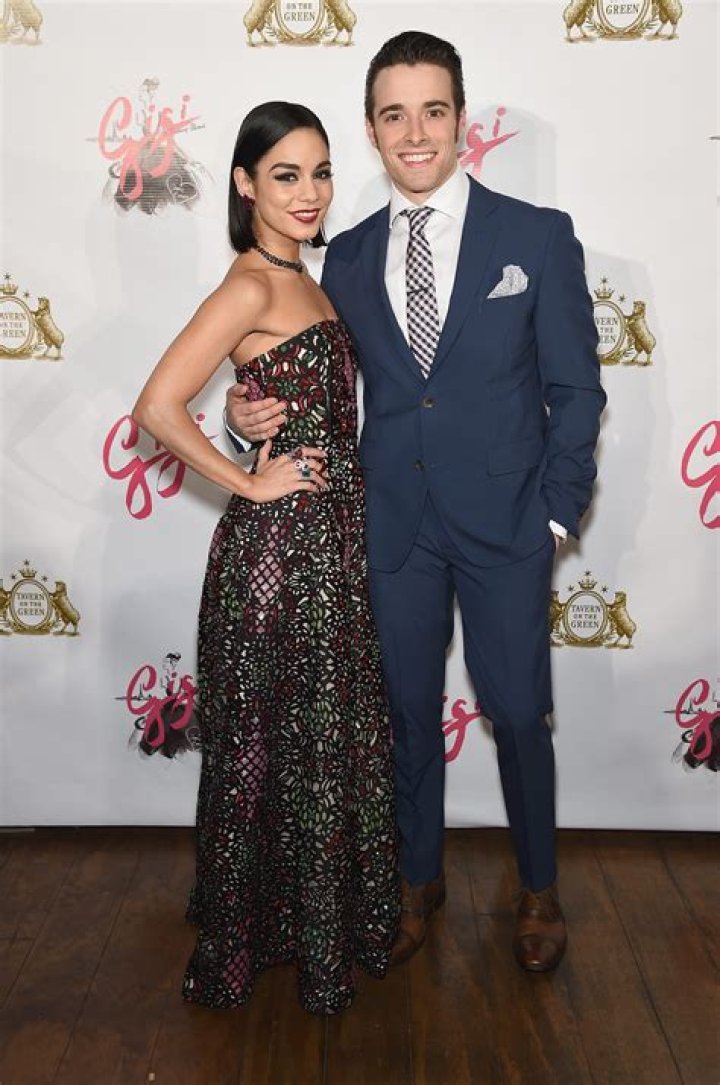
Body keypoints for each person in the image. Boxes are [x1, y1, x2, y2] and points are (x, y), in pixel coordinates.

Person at [226, 33, 607, 974]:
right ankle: (415, 880)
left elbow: (577, 389)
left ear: (461, 119)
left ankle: (539, 886)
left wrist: (555, 513)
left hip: (509, 524)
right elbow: (308, 377)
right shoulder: (347, 256)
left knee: (518, 710)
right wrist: (243, 416)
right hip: (391, 524)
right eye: (393, 114)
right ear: (371, 129)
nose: (415, 132)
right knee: (403, 713)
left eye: (433, 110)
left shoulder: (536, 235)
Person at [132, 101, 399, 1015]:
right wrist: (246, 481)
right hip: (280, 561)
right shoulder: (250, 285)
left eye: (320, 172)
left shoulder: (306, 278)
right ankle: (259, 940)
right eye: (286, 175)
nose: (308, 192)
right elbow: (155, 406)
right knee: (266, 749)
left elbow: (276, 390)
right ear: (245, 184)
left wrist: (245, 417)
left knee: (314, 748)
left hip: (331, 551)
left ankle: (302, 926)